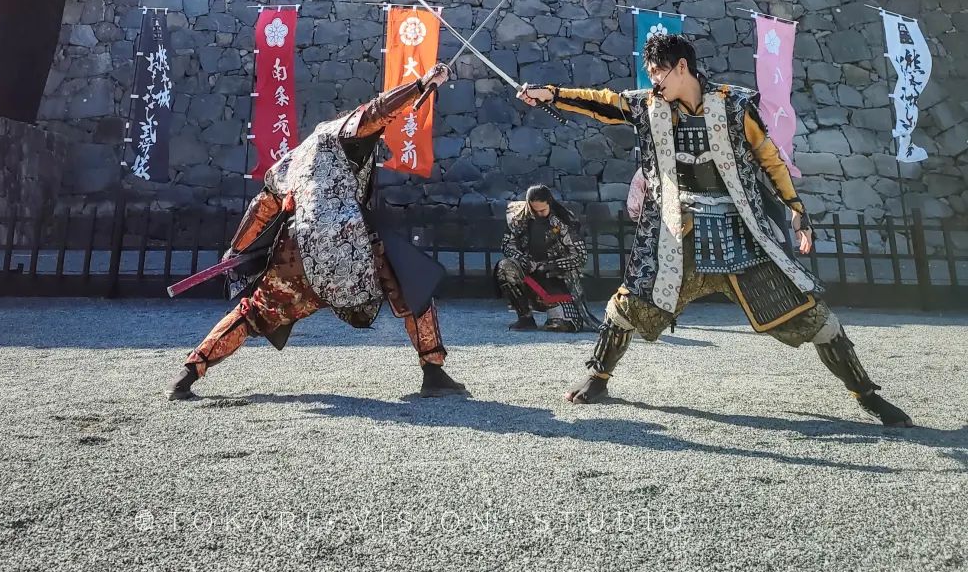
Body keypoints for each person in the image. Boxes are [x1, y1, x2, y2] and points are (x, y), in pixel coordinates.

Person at [518, 30, 912, 426]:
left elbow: (769, 158)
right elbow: (605, 102)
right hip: (680, 235)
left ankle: (866, 394)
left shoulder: (734, 106)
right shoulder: (651, 106)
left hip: (740, 233)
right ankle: (598, 377)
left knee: (815, 315)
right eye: (651, 73)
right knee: (627, 305)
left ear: (682, 67)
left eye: (658, 72)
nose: (654, 81)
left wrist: (796, 209)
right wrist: (551, 94)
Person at [168, 62, 468, 400]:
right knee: (413, 285)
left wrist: (236, 250)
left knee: (253, 312)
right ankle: (433, 371)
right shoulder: (343, 132)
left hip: (295, 252)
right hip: (349, 243)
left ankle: (188, 373)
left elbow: (262, 206)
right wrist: (420, 85)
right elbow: (379, 110)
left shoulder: (291, 161)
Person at [495, 184, 595, 332]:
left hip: (556, 277)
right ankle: (525, 317)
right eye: (534, 210)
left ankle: (560, 312)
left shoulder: (564, 220)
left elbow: (580, 255)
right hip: (528, 272)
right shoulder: (518, 217)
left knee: (563, 325)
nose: (539, 214)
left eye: (542, 210)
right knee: (505, 267)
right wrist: (523, 259)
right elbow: (507, 245)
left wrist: (551, 265)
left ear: (549, 203)